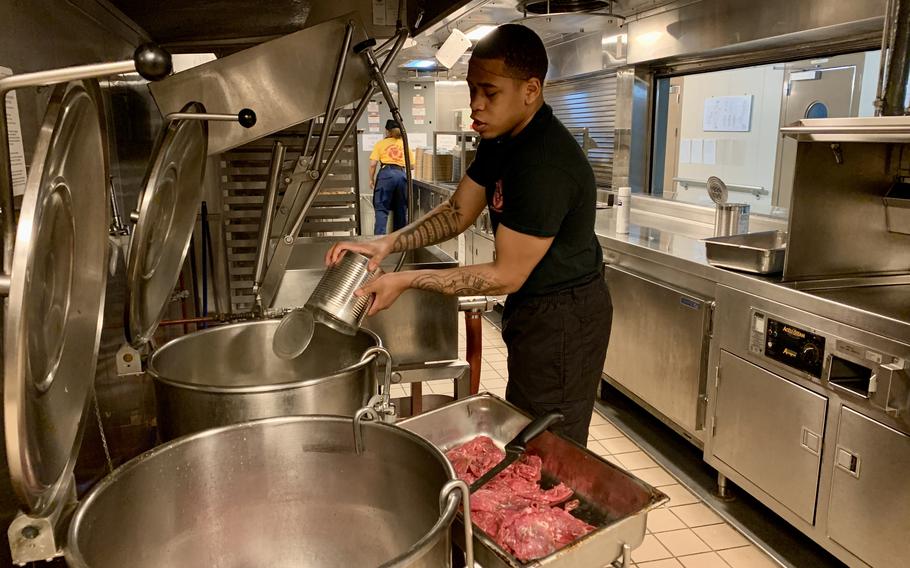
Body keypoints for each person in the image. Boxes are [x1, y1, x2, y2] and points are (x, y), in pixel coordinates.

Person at [328, 24, 612, 445]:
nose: (476, 105)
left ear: (531, 89)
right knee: (527, 426)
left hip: (564, 320)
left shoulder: (544, 165)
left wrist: (404, 280)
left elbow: (504, 275)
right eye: (471, 89)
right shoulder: (501, 140)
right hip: (535, 308)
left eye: (490, 92)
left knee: (551, 444)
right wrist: (385, 242)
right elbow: (458, 212)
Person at [368, 119, 414, 234]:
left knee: (381, 209)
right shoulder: (404, 143)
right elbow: (412, 166)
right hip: (402, 175)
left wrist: (371, 179)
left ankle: (379, 241)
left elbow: (373, 164)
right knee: (401, 210)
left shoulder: (380, 144)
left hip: (386, 175)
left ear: (387, 132)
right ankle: (399, 243)